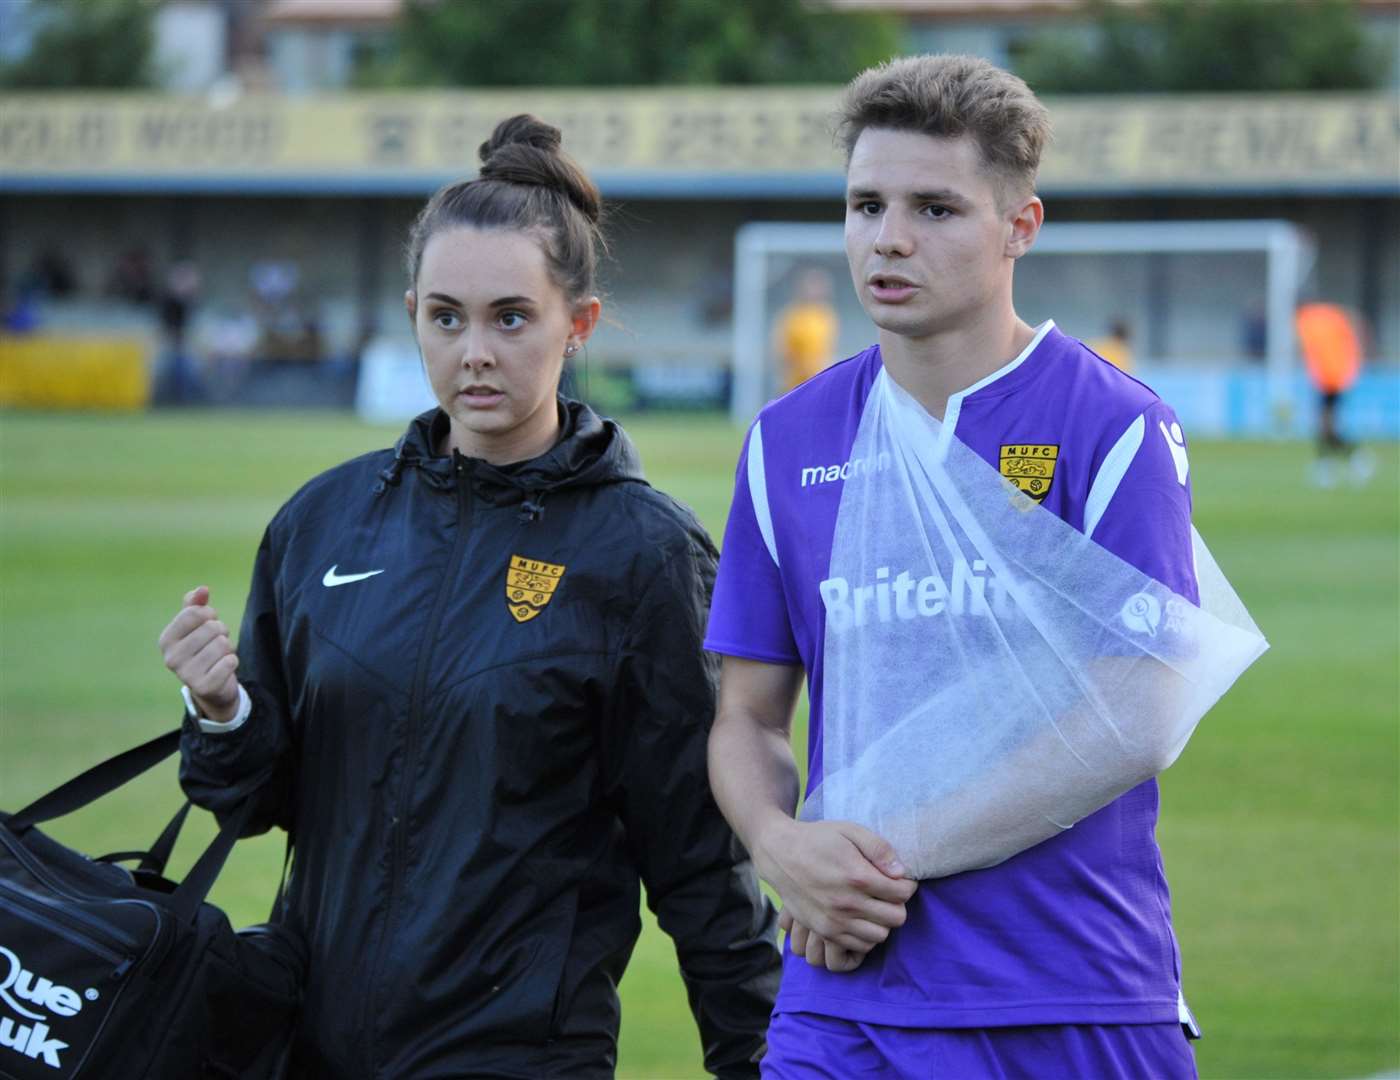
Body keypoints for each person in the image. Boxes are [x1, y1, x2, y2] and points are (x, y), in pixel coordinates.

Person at [159, 114, 780, 1079]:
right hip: (304, 1043)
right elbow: (267, 798)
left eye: (511, 317)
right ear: (412, 313)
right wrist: (222, 711)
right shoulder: (324, 523)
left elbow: (702, 859)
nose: (474, 351)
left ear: (579, 324)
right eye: (446, 317)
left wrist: (762, 1058)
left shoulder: (644, 554)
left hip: (516, 1056)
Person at [706, 55, 1218, 1078]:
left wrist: (876, 858)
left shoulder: (1107, 426)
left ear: (1019, 227)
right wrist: (774, 844)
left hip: (1067, 991)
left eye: (934, 208)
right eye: (865, 205)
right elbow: (746, 716)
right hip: (841, 995)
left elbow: (1145, 706)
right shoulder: (784, 438)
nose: (887, 237)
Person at [1295, 300, 1371, 487]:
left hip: (1328, 379)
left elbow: (1310, 351)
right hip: (1340, 375)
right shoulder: (1331, 314)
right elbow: (1352, 332)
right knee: (1325, 424)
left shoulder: (1305, 322)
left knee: (1325, 424)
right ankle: (1332, 463)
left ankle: (1350, 459)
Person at [772, 266, 839, 390]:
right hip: (795, 383)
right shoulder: (792, 316)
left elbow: (828, 349)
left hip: (819, 380)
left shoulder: (827, 315)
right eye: (813, 285)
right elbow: (783, 352)